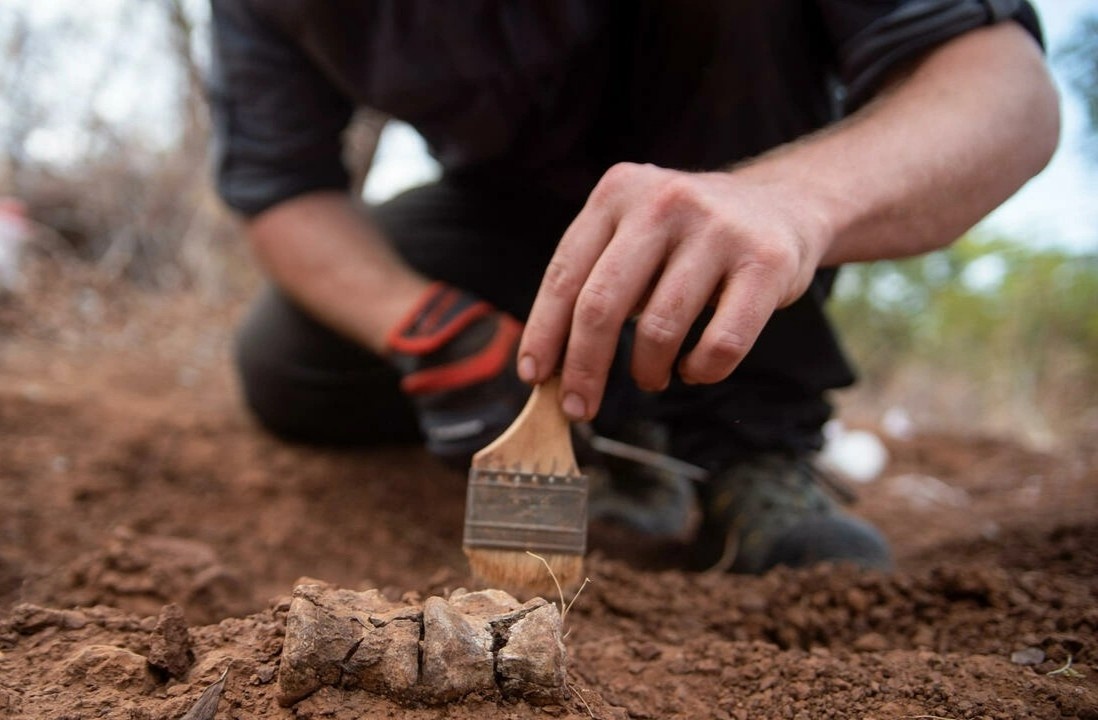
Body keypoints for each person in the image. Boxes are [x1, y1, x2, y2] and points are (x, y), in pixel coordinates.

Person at [208, 1, 1059, 574]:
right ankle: (604, 440)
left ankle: (747, 443)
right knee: (289, 365)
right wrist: (427, 326)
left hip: (752, 176)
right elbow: (283, 187)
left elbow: (1005, 92)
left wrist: (793, 202)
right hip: (507, 215)